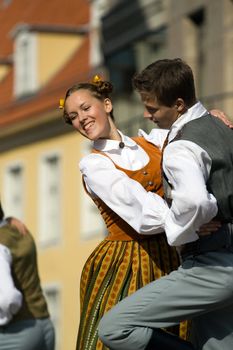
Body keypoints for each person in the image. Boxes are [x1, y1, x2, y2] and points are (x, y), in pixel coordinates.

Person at [97, 58, 233, 350]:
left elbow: (195, 202)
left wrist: (182, 228)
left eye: (153, 108)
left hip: (212, 267)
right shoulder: (222, 127)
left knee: (115, 328)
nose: (146, 114)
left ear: (179, 104)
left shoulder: (181, 147)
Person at [61, 76, 189, 350]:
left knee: (173, 335)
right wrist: (192, 219)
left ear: (106, 104)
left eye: (85, 108)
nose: (81, 119)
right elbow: (144, 216)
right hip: (124, 262)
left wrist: (213, 117)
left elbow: (192, 134)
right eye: (73, 116)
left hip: (169, 255)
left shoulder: (152, 142)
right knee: (120, 338)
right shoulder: (95, 166)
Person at [0, 200, 55, 350]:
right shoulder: (17, 230)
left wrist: (5, 319)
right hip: (45, 326)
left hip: (18, 332)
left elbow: (7, 298)